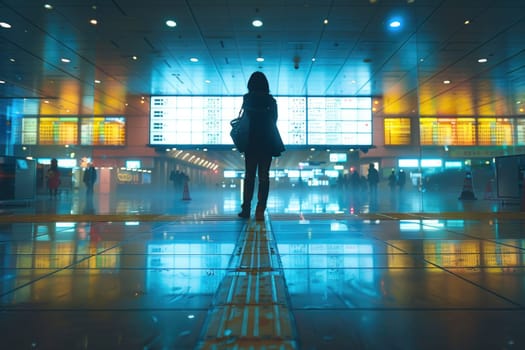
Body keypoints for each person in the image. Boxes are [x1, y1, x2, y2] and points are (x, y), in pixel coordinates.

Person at [238, 71, 283, 221]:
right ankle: (260, 210)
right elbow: (274, 120)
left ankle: (246, 209)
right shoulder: (271, 101)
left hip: (251, 142)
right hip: (267, 142)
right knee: (264, 176)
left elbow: (244, 120)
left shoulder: (247, 99)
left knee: (249, 176)